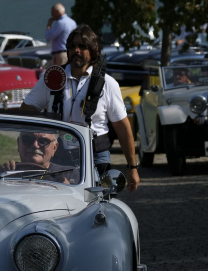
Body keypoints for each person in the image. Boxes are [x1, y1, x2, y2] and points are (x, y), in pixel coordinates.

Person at [21, 24, 140, 191]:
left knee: (97, 202)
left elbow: (122, 127)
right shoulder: (53, 77)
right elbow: (27, 109)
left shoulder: (108, 84)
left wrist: (132, 167)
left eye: (82, 46)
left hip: (96, 156)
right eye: (72, 46)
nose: (76, 50)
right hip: (59, 155)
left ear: (93, 50)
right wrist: (45, 130)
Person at [0, 130, 75, 183]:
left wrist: (61, 182)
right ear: (19, 143)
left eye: (43, 141)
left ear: (54, 148)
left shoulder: (69, 173)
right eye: (27, 139)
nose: (35, 145)